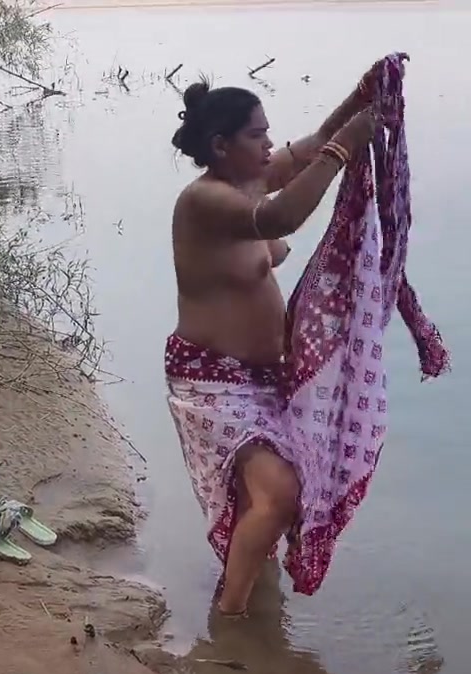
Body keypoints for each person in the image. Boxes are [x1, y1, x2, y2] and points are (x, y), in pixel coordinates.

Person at [166, 65, 382, 616]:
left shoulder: (249, 179)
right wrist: (345, 148)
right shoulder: (205, 201)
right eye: (257, 135)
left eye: (268, 133)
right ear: (221, 145)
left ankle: (254, 597)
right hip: (211, 377)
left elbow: (309, 148)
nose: (270, 144)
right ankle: (231, 618)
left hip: (262, 376)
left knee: (266, 498)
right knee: (279, 493)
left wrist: (360, 97)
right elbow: (281, 214)